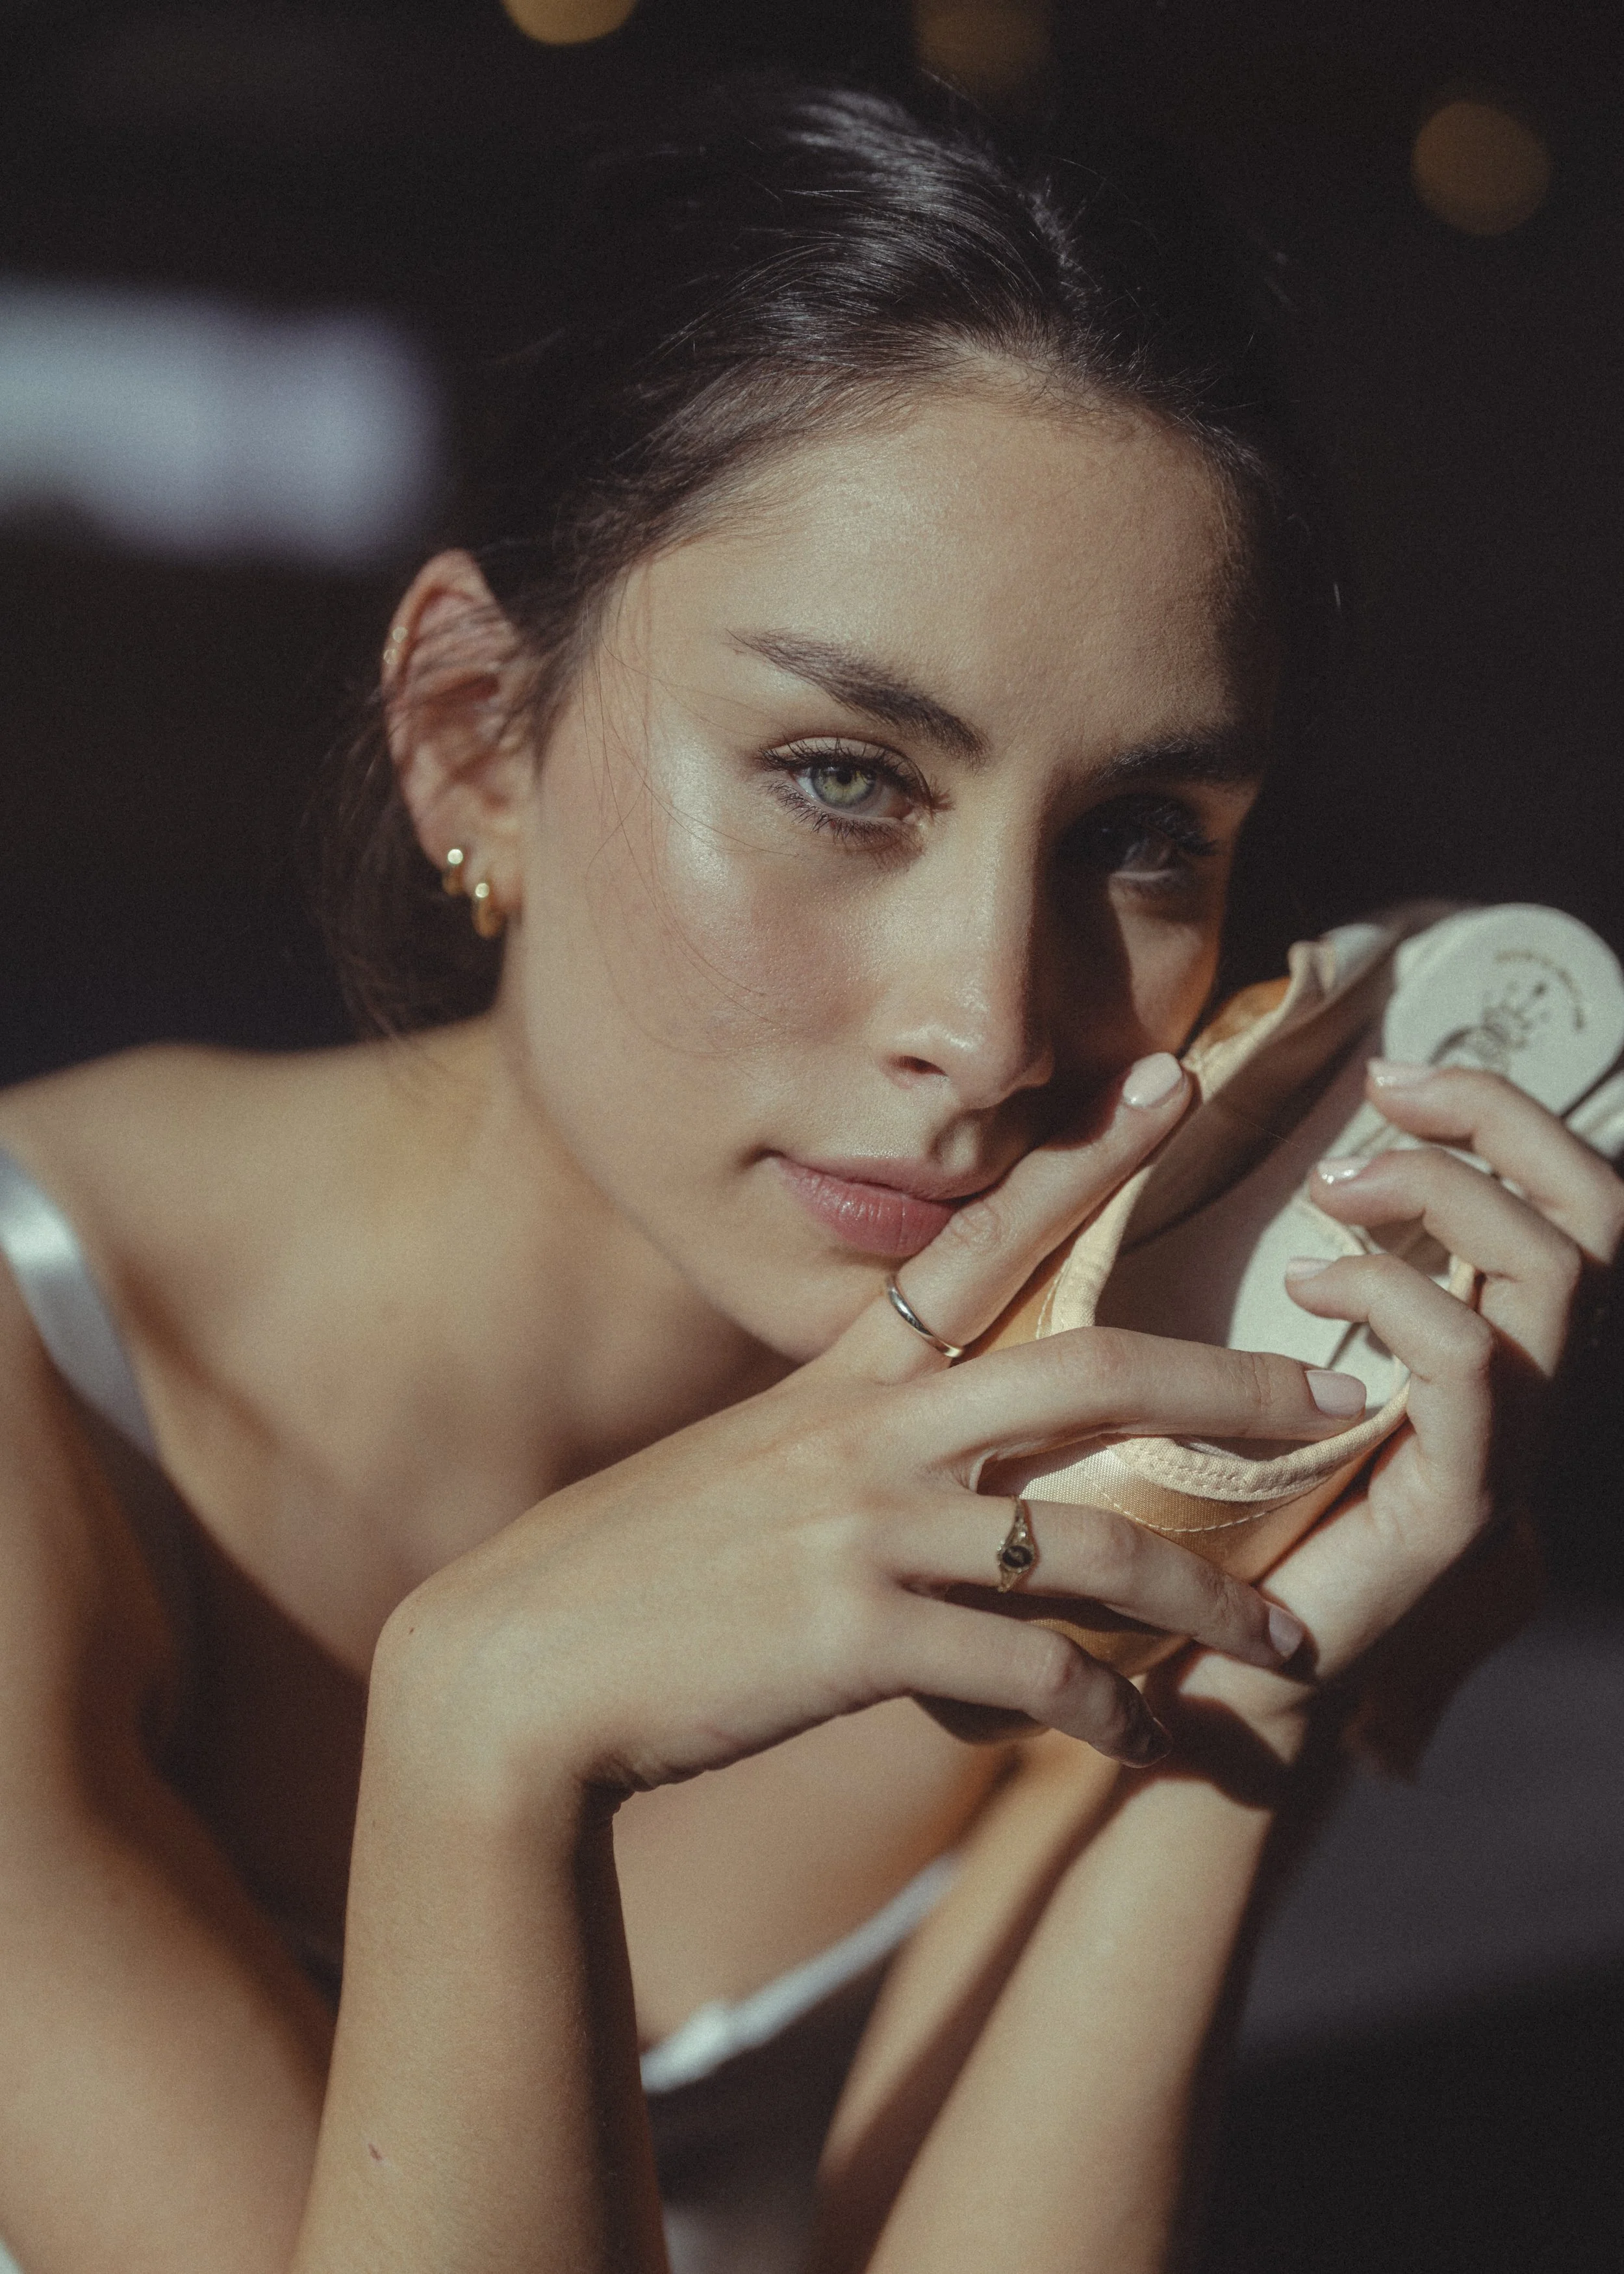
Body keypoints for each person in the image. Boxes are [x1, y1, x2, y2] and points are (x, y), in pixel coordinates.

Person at [0, 76, 1617, 2274]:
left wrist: (1254, 1678)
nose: (991, 1021)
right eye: (844, 776)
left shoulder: (1130, 1453)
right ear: (476, 729)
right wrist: (483, 1740)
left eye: (1141, 838)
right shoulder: (44, 1411)